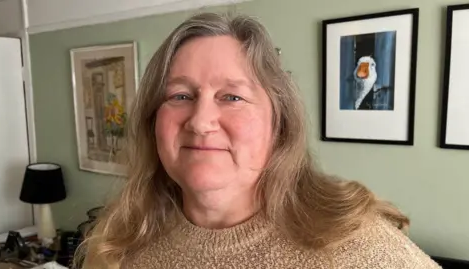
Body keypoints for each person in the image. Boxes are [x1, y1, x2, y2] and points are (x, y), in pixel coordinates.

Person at [76, 12, 441, 269]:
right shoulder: (118, 242)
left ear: (278, 124)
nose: (201, 122)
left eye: (232, 97)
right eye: (180, 96)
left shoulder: (355, 244)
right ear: (153, 121)